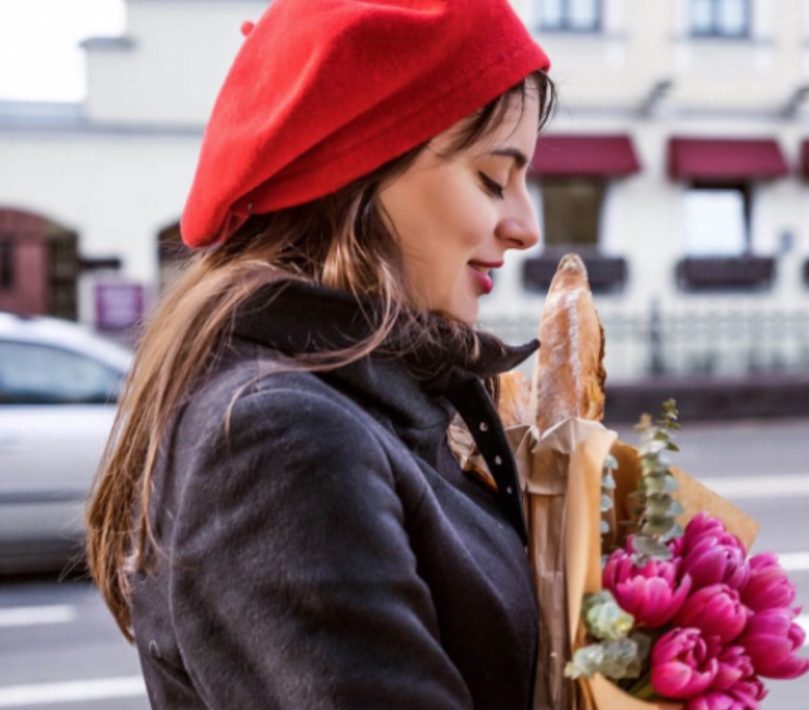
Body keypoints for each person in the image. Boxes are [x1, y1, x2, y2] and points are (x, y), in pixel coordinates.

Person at [85, 1, 555, 707]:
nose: (525, 228)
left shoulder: (370, 396)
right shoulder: (279, 438)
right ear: (360, 171)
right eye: (492, 179)